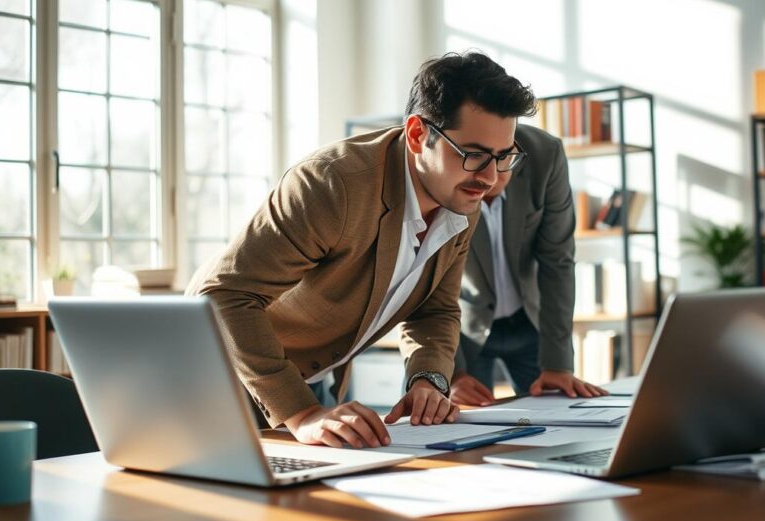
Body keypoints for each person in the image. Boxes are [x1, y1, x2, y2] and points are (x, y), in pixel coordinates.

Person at [187, 51, 537, 448]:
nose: (490, 177)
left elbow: (435, 309)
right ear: (419, 135)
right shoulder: (331, 184)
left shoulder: (461, 195)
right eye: (473, 154)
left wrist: (429, 379)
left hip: (313, 381)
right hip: (214, 379)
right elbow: (224, 296)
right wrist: (301, 413)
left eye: (503, 156)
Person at [450, 123, 609, 406]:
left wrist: (558, 365)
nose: (494, 174)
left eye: (505, 158)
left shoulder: (544, 154)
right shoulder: (446, 163)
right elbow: (424, 283)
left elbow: (557, 261)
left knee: (559, 416)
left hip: (530, 321)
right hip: (461, 330)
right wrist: (449, 374)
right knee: (455, 427)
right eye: (481, 158)